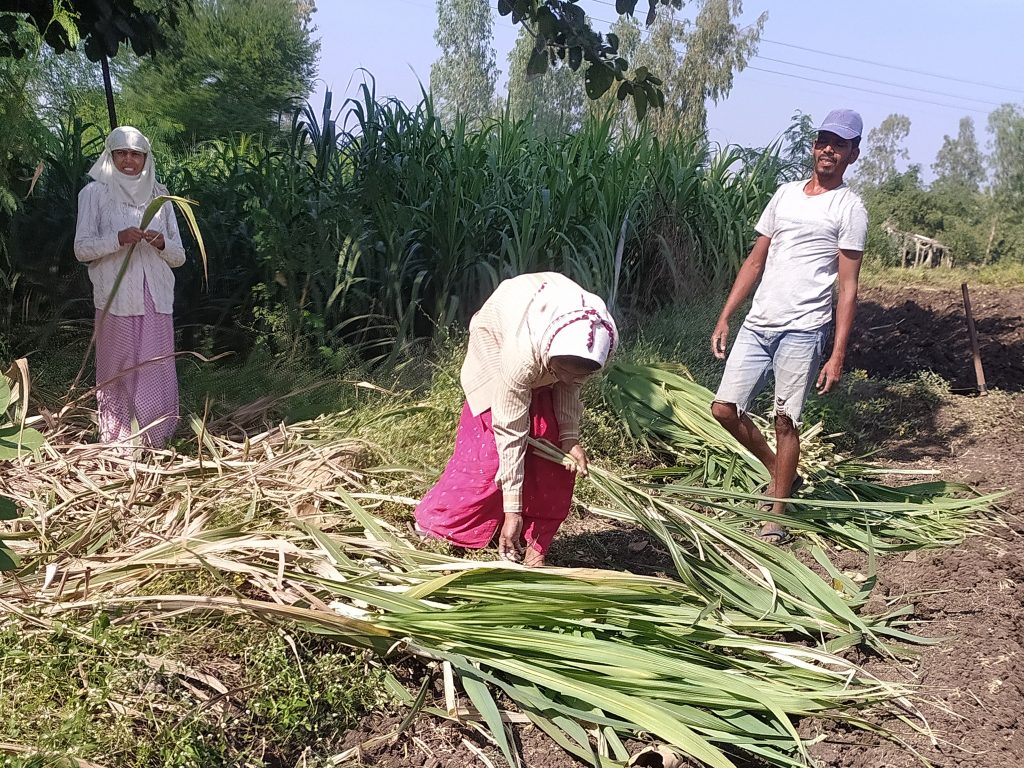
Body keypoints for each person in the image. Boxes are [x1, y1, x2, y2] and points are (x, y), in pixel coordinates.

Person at [709, 109, 868, 543]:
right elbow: (756, 260)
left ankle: (777, 517)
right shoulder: (784, 195)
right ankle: (779, 474)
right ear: (815, 146)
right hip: (759, 323)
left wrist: (836, 355)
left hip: (804, 327)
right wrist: (726, 315)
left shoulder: (849, 207)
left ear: (853, 154)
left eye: (840, 144)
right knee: (724, 409)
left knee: (785, 421)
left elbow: (848, 289)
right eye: (824, 141)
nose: (829, 150)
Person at [414, 272, 618, 567]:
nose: (565, 380)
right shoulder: (521, 354)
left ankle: (535, 548)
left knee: (557, 457)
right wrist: (513, 510)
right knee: (492, 456)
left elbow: (569, 384)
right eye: (559, 371)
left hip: (549, 338)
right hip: (498, 342)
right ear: (549, 355)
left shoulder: (599, 341)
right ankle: (439, 526)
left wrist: (570, 438)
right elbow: (510, 430)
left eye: (579, 375)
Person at [74, 126, 186, 449]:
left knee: (154, 365)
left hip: (156, 298)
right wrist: (117, 239)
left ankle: (153, 438)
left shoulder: (161, 196)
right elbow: (81, 249)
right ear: (110, 156)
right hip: (116, 296)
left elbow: (178, 255)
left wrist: (161, 241)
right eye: (121, 153)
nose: (128, 161)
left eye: (136, 154)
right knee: (119, 365)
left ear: (145, 159)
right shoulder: (94, 194)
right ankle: (120, 440)